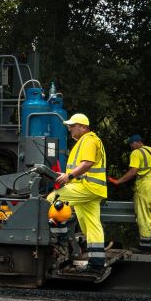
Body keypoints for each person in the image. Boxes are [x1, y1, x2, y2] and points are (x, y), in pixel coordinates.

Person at [47, 113, 108, 271]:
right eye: (69, 126)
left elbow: (87, 163)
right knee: (91, 225)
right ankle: (96, 263)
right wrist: (66, 175)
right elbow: (81, 168)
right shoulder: (86, 141)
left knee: (51, 200)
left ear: (84, 127)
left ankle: (61, 236)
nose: (69, 129)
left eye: (73, 126)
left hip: (86, 187)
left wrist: (69, 176)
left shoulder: (89, 140)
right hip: (92, 189)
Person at [111, 134, 151, 254]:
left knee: (143, 216)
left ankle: (145, 246)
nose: (131, 147)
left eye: (131, 144)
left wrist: (118, 181)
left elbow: (133, 171)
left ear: (136, 143)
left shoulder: (136, 153)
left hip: (145, 186)